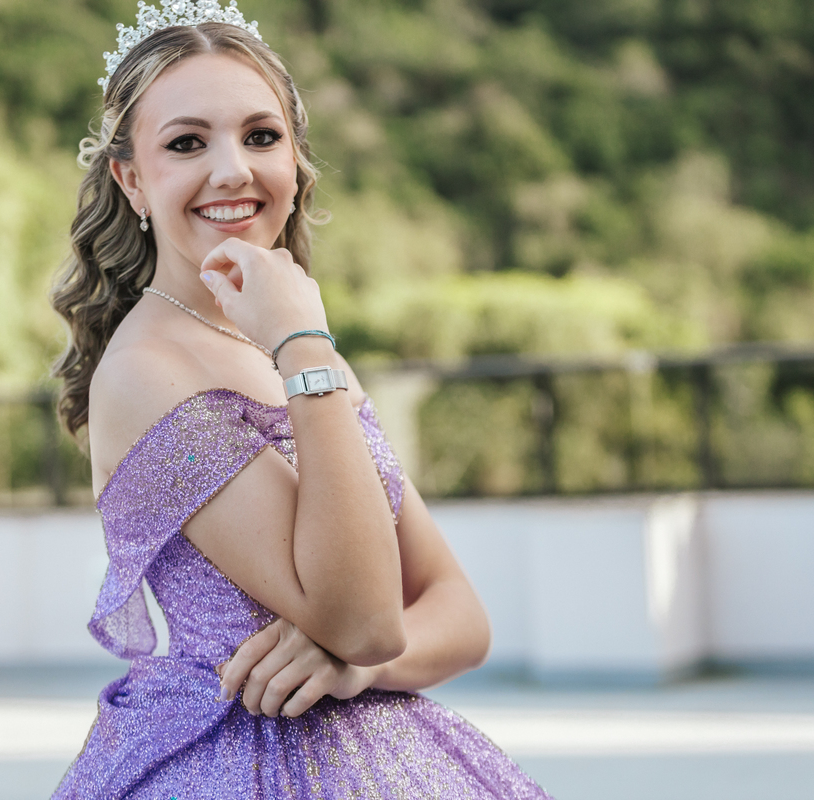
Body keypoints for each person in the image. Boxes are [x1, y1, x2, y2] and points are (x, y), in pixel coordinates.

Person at [48, 2, 553, 797]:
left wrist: (354, 668)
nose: (232, 170)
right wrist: (305, 348)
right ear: (132, 180)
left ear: (295, 160)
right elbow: (365, 619)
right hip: (228, 765)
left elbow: (459, 617)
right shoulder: (151, 369)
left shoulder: (292, 348)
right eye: (186, 143)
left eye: (260, 136)